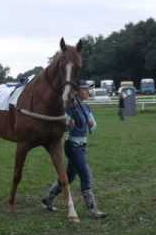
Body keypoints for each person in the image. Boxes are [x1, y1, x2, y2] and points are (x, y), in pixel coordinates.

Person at [42, 80, 107, 218]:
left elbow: (93, 126)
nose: (88, 92)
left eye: (88, 90)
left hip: (82, 146)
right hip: (73, 146)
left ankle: (48, 198)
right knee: (85, 175)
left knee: (69, 177)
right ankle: (93, 209)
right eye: (85, 90)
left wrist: (89, 122)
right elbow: (65, 125)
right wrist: (68, 123)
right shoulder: (70, 108)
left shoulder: (86, 107)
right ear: (77, 92)